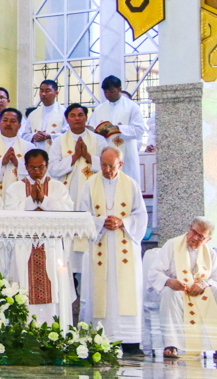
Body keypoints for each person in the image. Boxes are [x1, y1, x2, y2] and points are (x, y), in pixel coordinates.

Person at [78, 147, 148, 353]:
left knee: (124, 291)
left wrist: (122, 222)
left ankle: (130, 340)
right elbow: (82, 216)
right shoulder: (90, 184)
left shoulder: (131, 184)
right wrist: (101, 222)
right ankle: (101, 337)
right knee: (102, 292)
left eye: (111, 166)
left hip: (124, 246)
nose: (107, 170)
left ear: (120, 165)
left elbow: (141, 216)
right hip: (100, 244)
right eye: (103, 165)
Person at [148, 217, 217, 359]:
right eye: (194, 232)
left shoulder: (210, 253)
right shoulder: (172, 245)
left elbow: (216, 281)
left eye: (201, 236)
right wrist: (169, 281)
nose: (195, 238)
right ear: (189, 228)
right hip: (176, 291)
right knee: (169, 292)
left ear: (208, 240)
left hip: (198, 293)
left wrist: (203, 284)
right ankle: (171, 345)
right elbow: (154, 272)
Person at [3, 149, 74, 324]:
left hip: (51, 247)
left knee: (54, 288)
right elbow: (10, 214)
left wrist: (44, 200)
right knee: (23, 289)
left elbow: (67, 213)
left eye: (40, 167)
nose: (37, 172)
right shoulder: (15, 188)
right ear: (25, 167)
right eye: (32, 167)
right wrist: (30, 201)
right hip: (24, 246)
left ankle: (54, 331)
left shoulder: (58, 187)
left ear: (47, 165)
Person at [48, 103, 107, 272]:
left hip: (93, 191)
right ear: (67, 119)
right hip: (68, 193)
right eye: (72, 115)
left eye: (80, 115)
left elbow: (107, 165)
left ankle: (90, 271)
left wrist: (87, 156)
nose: (77, 119)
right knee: (69, 233)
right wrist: (74, 157)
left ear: (86, 118)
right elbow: (53, 168)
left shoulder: (99, 140)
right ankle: (70, 274)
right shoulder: (59, 141)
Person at [90, 76, 147, 186]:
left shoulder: (132, 107)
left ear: (120, 89)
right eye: (105, 92)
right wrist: (97, 132)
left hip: (126, 153)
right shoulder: (99, 109)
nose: (108, 95)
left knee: (127, 185)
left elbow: (140, 129)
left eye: (112, 91)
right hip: (106, 149)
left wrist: (118, 129)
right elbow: (92, 128)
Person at [21, 80, 64, 150]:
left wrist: (50, 136)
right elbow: (24, 135)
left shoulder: (64, 113)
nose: (43, 94)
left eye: (47, 91)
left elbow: (68, 135)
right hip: (36, 152)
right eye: (41, 91)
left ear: (56, 93)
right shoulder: (33, 114)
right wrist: (34, 136)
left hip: (56, 152)